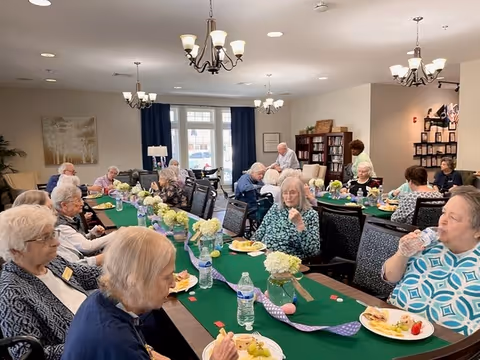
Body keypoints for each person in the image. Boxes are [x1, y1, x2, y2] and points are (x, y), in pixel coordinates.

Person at [61, 227, 238, 360]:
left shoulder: (100, 300)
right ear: (134, 281)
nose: (173, 283)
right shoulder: (118, 343)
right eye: (166, 277)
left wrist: (149, 352)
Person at [0, 205, 101, 360]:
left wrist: (124, 271)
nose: (56, 243)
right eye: (44, 238)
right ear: (16, 250)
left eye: (53, 234)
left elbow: (87, 275)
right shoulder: (11, 294)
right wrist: (89, 341)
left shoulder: (51, 262)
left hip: (102, 325)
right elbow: (29, 356)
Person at [383, 186, 480, 336]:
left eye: (453, 218)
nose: (443, 220)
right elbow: (389, 277)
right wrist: (402, 253)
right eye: (443, 213)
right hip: (392, 328)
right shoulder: (429, 243)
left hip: (446, 349)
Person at [252, 177, 320, 259]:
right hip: (263, 255)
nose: (288, 197)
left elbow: (313, 251)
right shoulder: (276, 208)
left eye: (292, 193)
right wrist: (250, 246)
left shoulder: (311, 214)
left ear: (301, 194)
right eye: (285, 193)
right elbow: (260, 232)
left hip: (287, 262)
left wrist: (299, 224)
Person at [51, 184, 115, 266]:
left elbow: (75, 242)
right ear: (64, 205)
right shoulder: (61, 225)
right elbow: (87, 247)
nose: (82, 203)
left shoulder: (70, 217)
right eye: (78, 200)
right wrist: (116, 234)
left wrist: (92, 234)